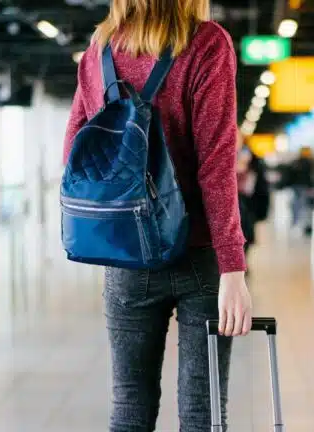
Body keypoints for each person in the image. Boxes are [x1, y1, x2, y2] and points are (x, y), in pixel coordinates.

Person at [62, 1, 252, 430]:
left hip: (125, 255)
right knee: (201, 412)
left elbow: (74, 144)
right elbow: (217, 163)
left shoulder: (99, 49)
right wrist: (233, 267)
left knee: (129, 406)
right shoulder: (206, 43)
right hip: (200, 257)